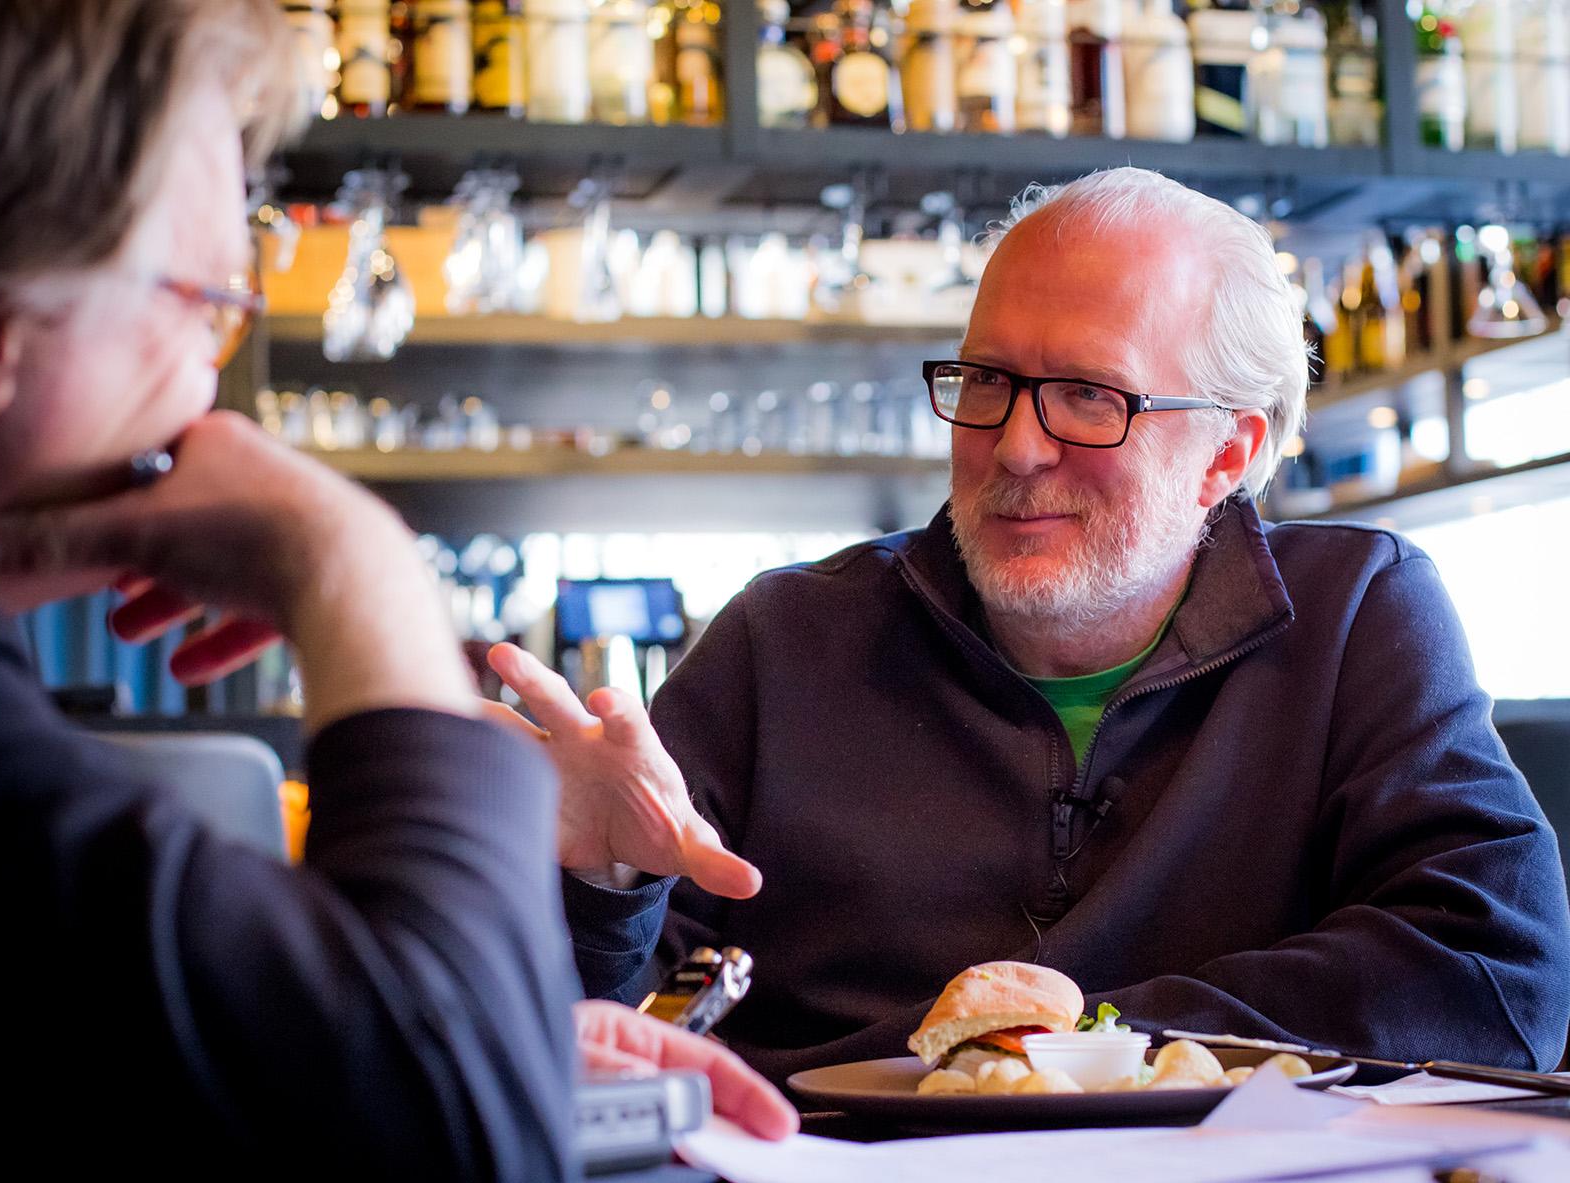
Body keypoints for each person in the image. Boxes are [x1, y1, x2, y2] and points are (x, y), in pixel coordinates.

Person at [0, 0, 791, 1170]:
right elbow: (439, 1133)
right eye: (200, 301)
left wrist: (467, 1041)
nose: (212, 377)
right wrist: (354, 563)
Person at [488, 168, 1570, 1085]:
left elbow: (1496, 972)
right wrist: (597, 888)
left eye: (1091, 398)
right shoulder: (784, 644)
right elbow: (581, 1050)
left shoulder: (1356, 617)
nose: (1013, 447)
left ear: (1228, 454)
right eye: (990, 381)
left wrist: (1062, 1048)